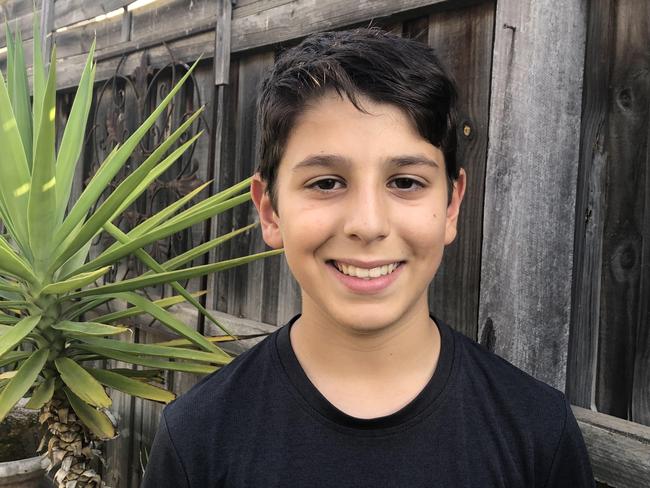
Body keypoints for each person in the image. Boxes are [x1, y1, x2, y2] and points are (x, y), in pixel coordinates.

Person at [141, 28, 595, 487]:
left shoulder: (538, 434)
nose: (368, 223)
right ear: (270, 211)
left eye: (405, 182)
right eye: (326, 183)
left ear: (452, 207)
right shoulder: (197, 438)